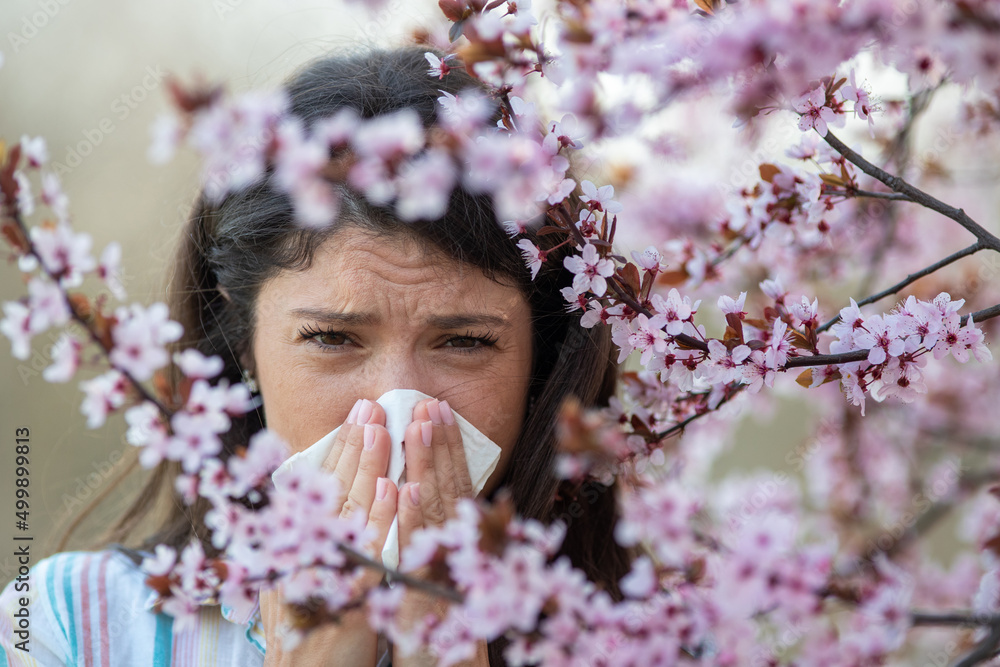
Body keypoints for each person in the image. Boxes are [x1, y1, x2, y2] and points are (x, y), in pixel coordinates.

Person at [0, 46, 630, 666]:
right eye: (332, 338)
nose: (395, 408)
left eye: (465, 342)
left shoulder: (653, 642)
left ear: (541, 362)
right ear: (243, 339)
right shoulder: (64, 628)